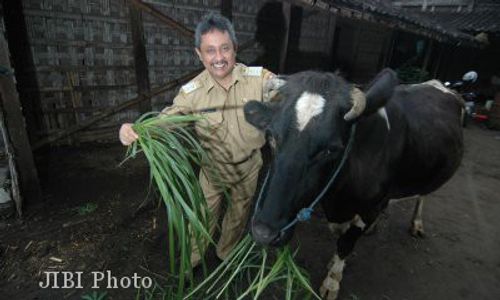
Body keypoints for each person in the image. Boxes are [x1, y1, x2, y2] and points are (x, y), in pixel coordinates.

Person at [119, 12, 275, 268]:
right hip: (212, 169)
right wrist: (131, 129)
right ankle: (192, 263)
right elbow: (163, 122)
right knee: (203, 216)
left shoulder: (257, 79)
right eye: (210, 51)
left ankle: (226, 254)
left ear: (235, 48)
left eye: (225, 49)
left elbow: (285, 92)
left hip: (249, 166)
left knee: (239, 214)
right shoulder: (192, 93)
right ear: (199, 54)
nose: (219, 58)